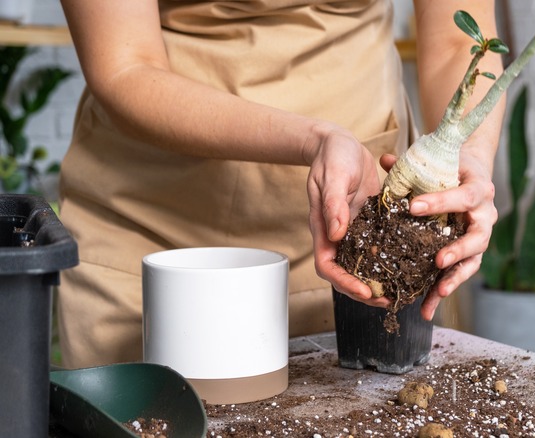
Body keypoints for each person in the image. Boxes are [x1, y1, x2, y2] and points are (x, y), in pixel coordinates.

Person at [57, 0, 505, 368]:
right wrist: (316, 139)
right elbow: (124, 67)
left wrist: (466, 163)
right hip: (152, 231)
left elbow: (457, 42)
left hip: (357, 231)